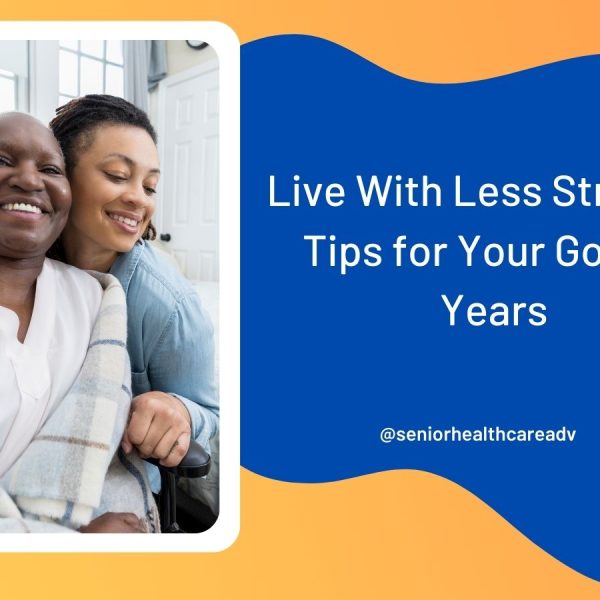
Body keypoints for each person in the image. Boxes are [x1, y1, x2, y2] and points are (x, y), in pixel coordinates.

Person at [49, 95, 219, 493]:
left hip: (116, 481)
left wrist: (180, 411)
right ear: (61, 174)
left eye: (150, 186)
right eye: (116, 175)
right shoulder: (26, 266)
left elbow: (211, 413)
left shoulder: (169, 306)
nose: (139, 199)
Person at [0, 112, 157, 533]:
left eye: (50, 169)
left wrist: (182, 410)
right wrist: (69, 541)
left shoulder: (97, 301)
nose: (30, 181)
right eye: (2, 161)